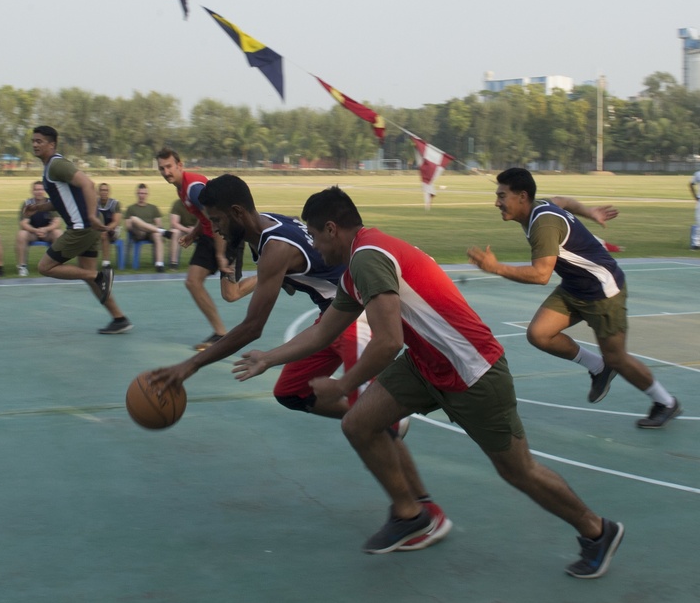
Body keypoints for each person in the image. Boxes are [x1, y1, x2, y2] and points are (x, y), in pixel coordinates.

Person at [234, 186, 623, 578]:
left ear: (332, 229)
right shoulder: (358, 262)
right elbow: (323, 333)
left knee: (518, 470)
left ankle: (597, 530)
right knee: (359, 423)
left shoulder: (368, 258)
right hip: (426, 364)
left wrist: (343, 384)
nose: (314, 246)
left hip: (473, 370)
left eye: (316, 237)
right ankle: (412, 515)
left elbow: (388, 341)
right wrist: (269, 358)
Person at [152, 176, 452, 550]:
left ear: (236, 212)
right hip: (333, 315)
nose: (212, 228)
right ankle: (382, 417)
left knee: (369, 426)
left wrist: (190, 367)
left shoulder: (275, 248)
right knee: (291, 392)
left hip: (357, 316)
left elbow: (252, 328)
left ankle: (419, 513)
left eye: (215, 220)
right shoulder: (268, 225)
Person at [466, 168, 681, 429]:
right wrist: (590, 212)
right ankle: (597, 367)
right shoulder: (541, 207)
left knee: (617, 358)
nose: (497, 202)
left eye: (502, 196)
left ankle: (666, 402)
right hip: (575, 287)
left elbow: (541, 274)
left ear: (522, 196)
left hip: (603, 292)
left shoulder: (543, 223)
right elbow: (563, 201)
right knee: (540, 334)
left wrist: (496, 268)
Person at [28, 125, 132, 334]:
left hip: (82, 228)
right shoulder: (49, 168)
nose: (35, 145)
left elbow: (88, 184)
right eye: (33, 141)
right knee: (88, 275)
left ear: (52, 144)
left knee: (45, 267)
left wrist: (92, 216)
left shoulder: (58, 165)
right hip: (87, 227)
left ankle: (99, 276)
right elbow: (63, 201)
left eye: (40, 141)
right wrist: (39, 207)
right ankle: (119, 318)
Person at [156, 149, 235, 350]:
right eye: (161, 168)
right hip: (209, 235)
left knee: (231, 294)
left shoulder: (193, 188)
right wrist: (193, 235)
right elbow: (205, 217)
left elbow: (215, 217)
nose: (166, 172)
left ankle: (272, 276)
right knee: (192, 281)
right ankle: (220, 334)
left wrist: (220, 255)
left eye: (169, 167)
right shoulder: (181, 187)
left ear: (180, 166)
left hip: (226, 235)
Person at [16, 180, 62, 276]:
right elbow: (24, 223)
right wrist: (35, 230)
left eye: (41, 189)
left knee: (58, 233)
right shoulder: (27, 203)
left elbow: (57, 222)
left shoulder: (50, 202)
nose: (38, 192)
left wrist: (45, 229)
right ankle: (22, 266)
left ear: (44, 191)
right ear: (32, 191)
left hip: (48, 233)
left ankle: (56, 265)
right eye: (36, 189)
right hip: (32, 233)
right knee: (21, 234)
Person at [123, 183, 173, 272]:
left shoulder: (153, 208)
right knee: (134, 219)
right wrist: (141, 226)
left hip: (151, 233)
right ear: (137, 194)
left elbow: (159, 224)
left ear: (147, 194)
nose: (142, 196)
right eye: (140, 193)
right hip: (138, 233)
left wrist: (149, 228)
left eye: (144, 193)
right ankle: (163, 232)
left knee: (157, 235)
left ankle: (159, 265)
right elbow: (128, 226)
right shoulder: (131, 208)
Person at [97, 182, 122, 268]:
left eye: (106, 190)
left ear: (109, 192)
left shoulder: (115, 203)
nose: (104, 192)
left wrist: (106, 228)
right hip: (98, 229)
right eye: (102, 190)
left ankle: (106, 262)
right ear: (98, 192)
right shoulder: (94, 203)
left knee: (104, 234)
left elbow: (116, 222)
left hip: (113, 229)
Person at [168, 198, 196, 269]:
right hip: (183, 230)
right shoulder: (177, 204)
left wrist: (195, 230)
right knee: (175, 233)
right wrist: (187, 230)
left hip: (197, 229)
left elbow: (205, 220)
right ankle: (173, 263)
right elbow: (174, 223)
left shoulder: (199, 203)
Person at [691, 168, 700, 249]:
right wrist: (695, 196)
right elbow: (691, 184)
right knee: (699, 222)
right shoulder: (698, 174)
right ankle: (696, 244)